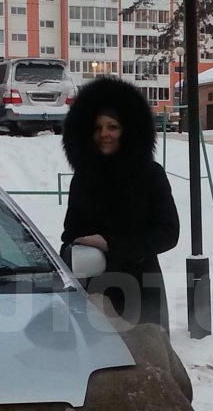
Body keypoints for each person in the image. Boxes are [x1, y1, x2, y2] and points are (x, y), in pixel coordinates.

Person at [61, 76, 180, 330]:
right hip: (94, 294)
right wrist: (73, 251)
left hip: (140, 290)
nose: (104, 134)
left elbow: (168, 233)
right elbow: (70, 235)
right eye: (97, 128)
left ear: (127, 130)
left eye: (112, 126)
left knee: (147, 364)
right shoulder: (83, 179)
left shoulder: (150, 175)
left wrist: (112, 245)